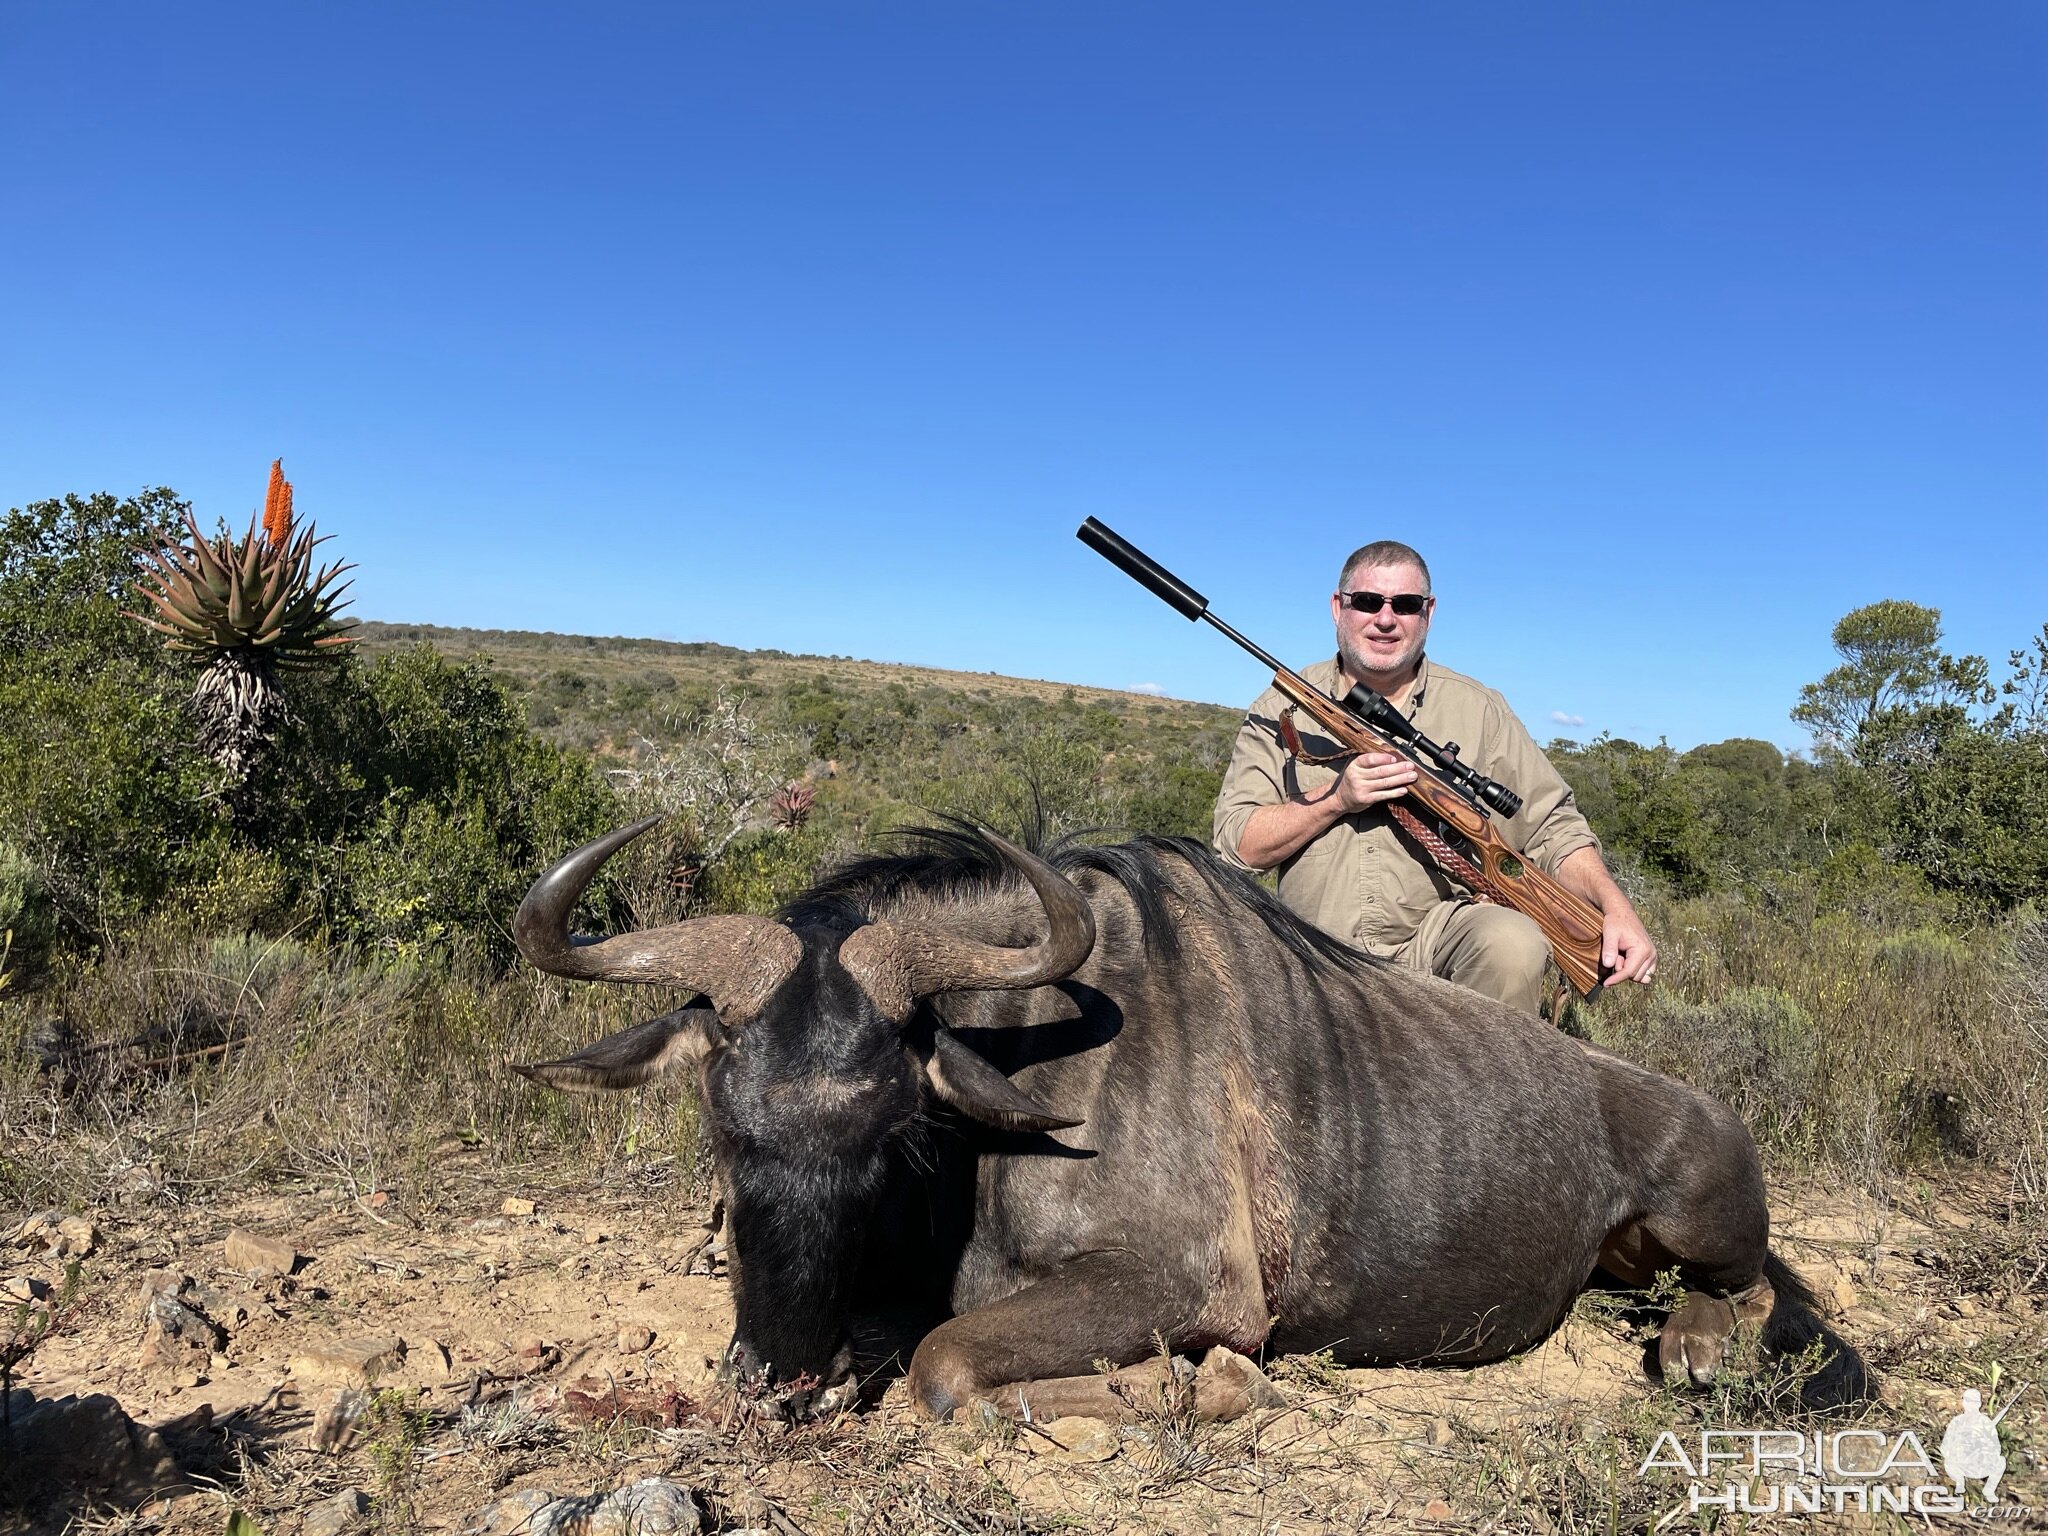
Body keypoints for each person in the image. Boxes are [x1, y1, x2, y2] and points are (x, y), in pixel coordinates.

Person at [1212, 539, 1656, 1013]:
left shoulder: (1478, 709)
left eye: (1405, 604)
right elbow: (1235, 847)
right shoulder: (1280, 710)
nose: (1385, 619)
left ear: (1429, 613)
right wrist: (1336, 798)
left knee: (1510, 941)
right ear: (1338, 607)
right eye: (1367, 602)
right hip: (1311, 951)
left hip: (1432, 947)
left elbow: (1553, 828)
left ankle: (1495, 1085)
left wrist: (1615, 906)